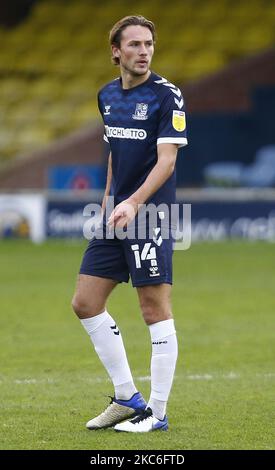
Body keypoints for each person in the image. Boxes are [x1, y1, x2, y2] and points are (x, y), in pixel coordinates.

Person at [72, 15, 188, 433]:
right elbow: (113, 153)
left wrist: (135, 202)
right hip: (116, 213)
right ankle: (126, 397)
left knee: (153, 309)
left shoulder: (166, 96)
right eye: (135, 45)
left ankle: (156, 413)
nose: (144, 52)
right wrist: (108, 201)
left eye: (149, 44)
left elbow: (167, 160)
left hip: (151, 213)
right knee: (85, 303)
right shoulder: (106, 95)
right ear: (116, 52)